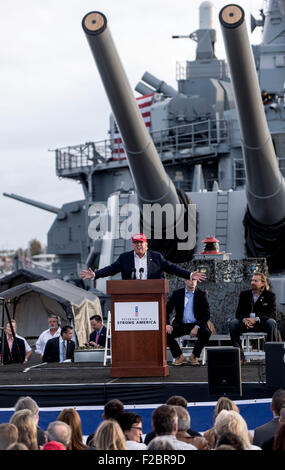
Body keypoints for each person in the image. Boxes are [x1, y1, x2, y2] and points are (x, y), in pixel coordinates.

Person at [80, 233, 206, 283]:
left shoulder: (156, 257)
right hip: (130, 296)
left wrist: (189, 275)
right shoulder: (125, 258)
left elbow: (173, 268)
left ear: (146, 245)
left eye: (141, 242)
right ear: (133, 245)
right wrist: (95, 274)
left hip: (153, 295)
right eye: (136, 243)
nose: (139, 245)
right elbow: (110, 269)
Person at [229, 272, 277, 363]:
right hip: (246, 324)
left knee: (271, 322)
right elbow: (238, 313)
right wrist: (244, 320)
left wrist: (256, 319)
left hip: (261, 324)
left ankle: (271, 356)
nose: (253, 282)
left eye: (256, 280)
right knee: (233, 323)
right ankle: (240, 357)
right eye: (252, 280)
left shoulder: (270, 296)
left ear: (263, 283)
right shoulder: (244, 295)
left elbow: (272, 314)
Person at [166, 278, 211, 366]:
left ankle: (193, 356)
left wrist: (197, 327)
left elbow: (206, 314)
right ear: (185, 281)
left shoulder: (202, 294)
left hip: (196, 324)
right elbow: (167, 310)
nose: (192, 282)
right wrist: (167, 324)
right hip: (180, 323)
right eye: (190, 280)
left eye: (194, 280)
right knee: (166, 333)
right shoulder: (177, 294)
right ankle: (180, 357)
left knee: (206, 332)